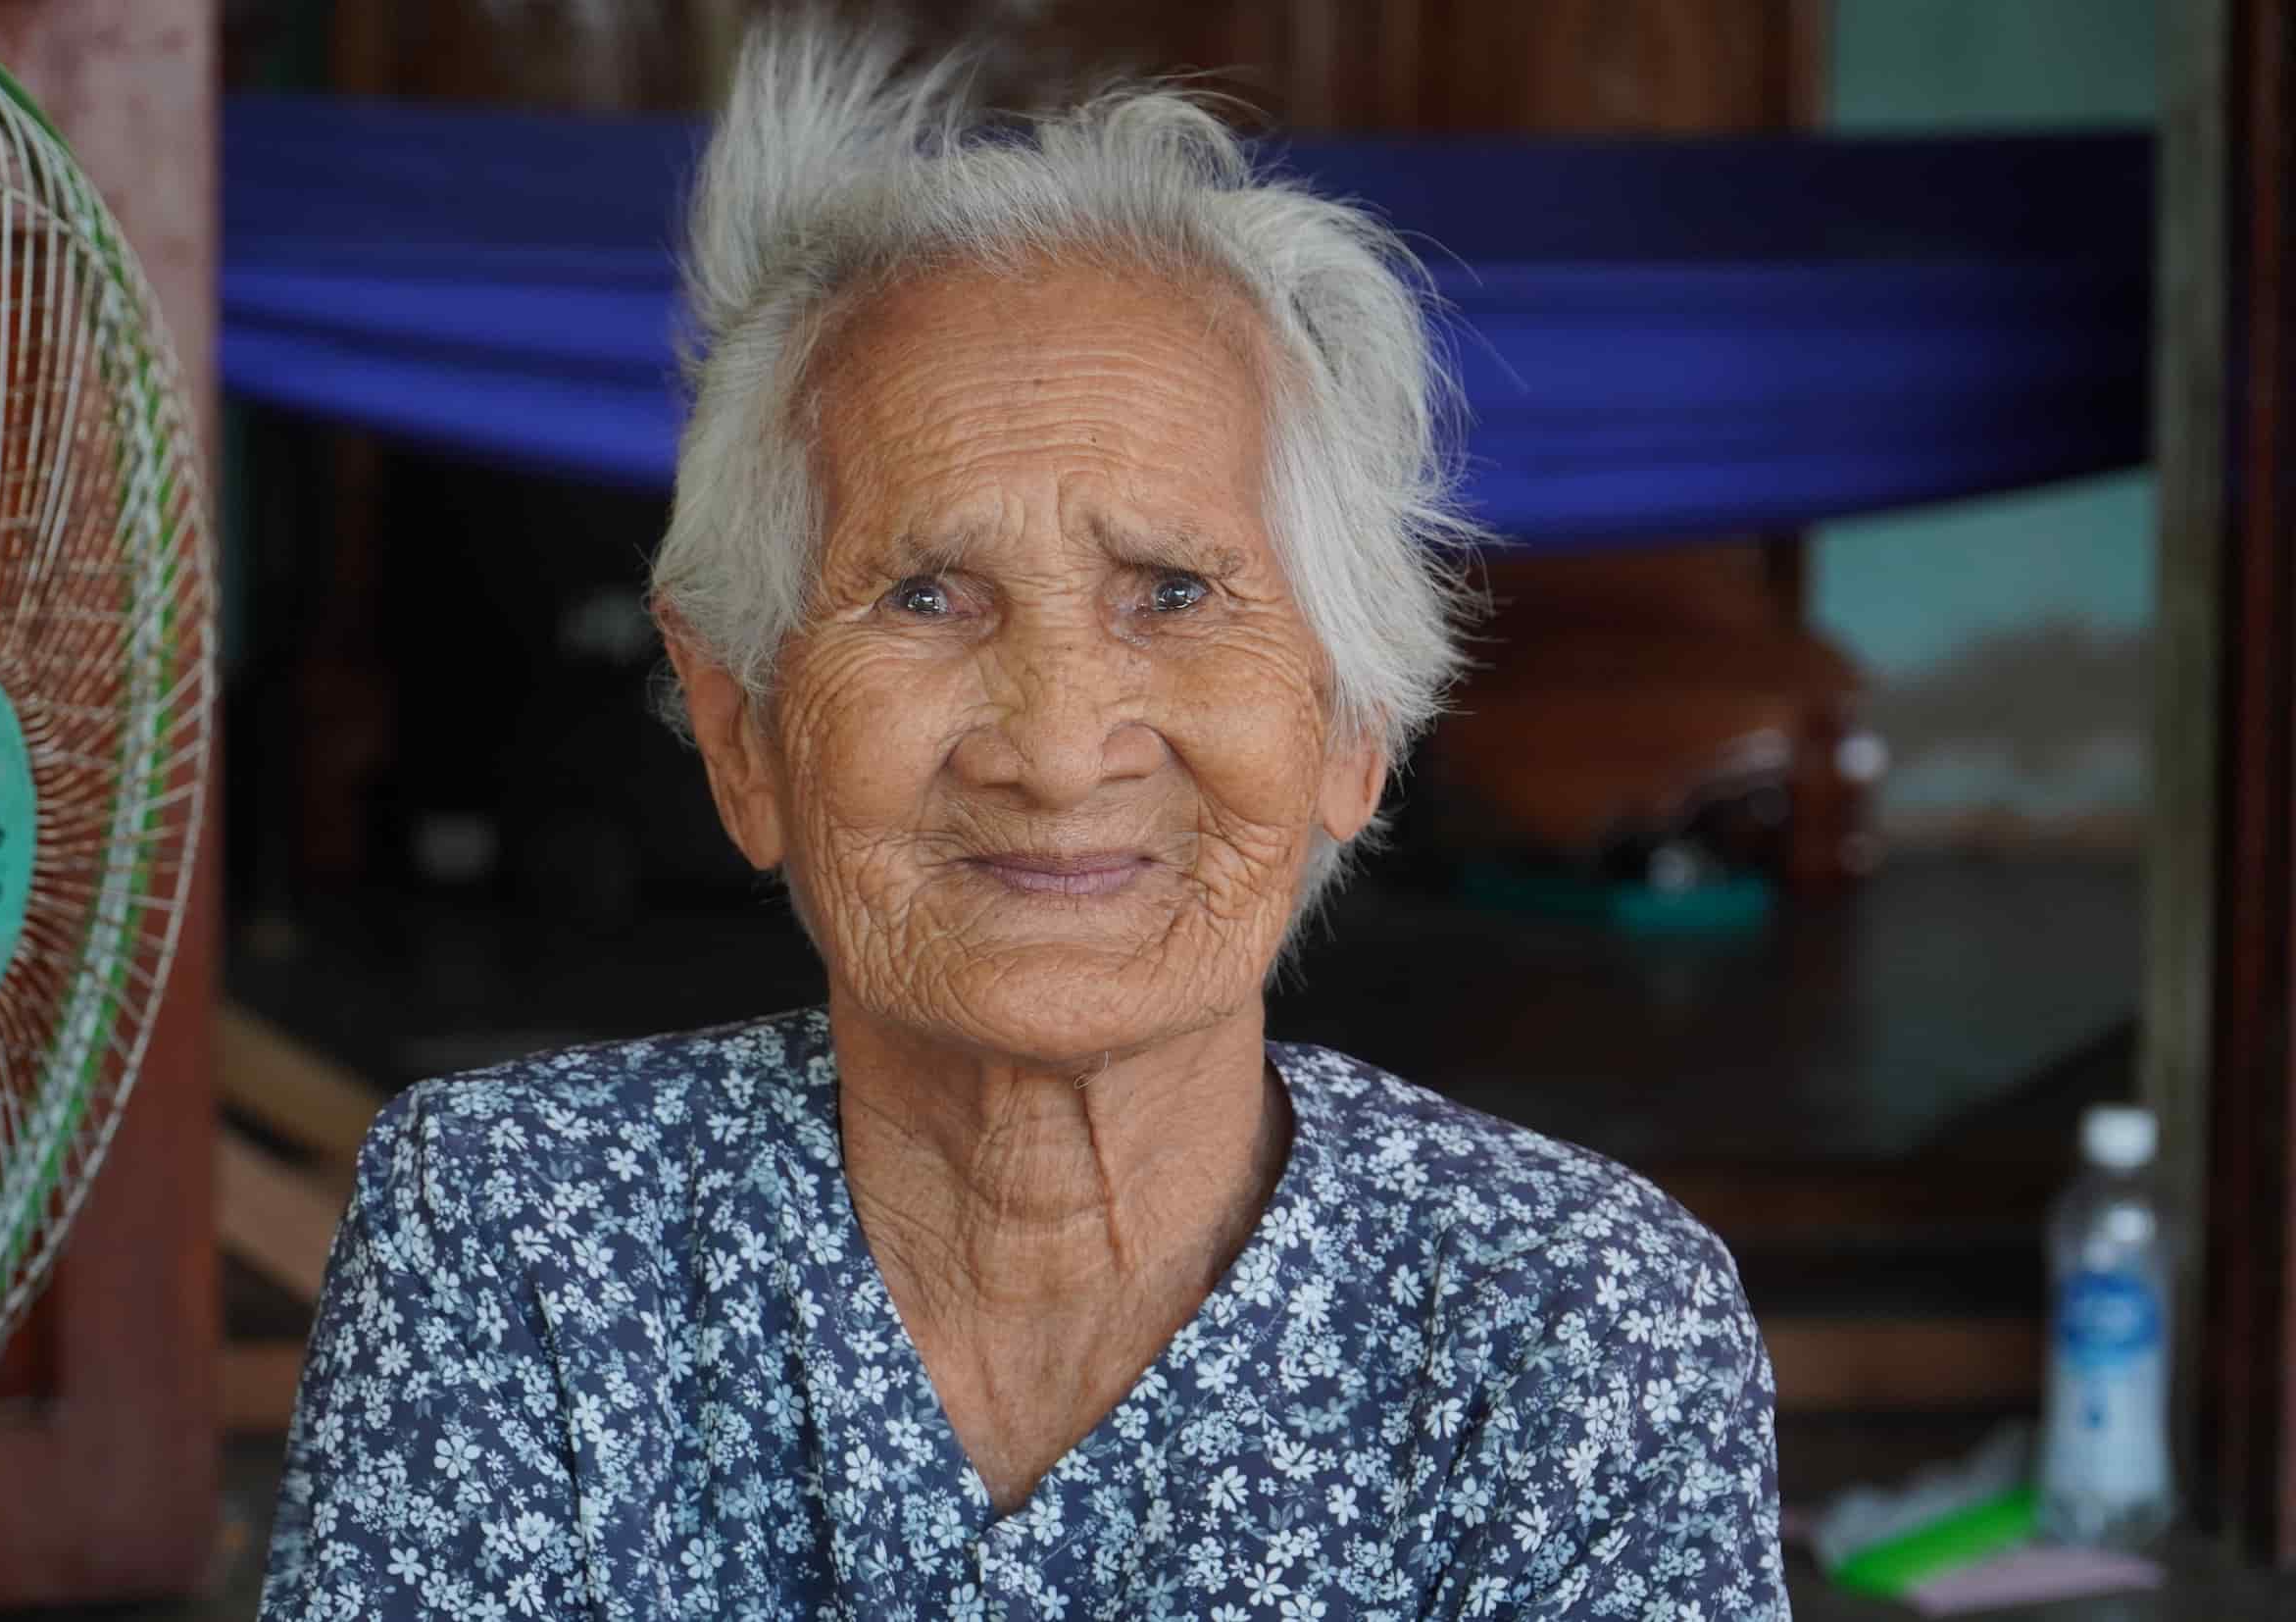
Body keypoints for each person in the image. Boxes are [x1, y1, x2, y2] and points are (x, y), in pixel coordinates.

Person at [260, 17, 1786, 1620]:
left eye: (1175, 593)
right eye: (925, 592)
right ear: (740, 730)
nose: (1059, 749)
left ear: (1355, 722)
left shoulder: (1576, 1332)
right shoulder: (516, 1246)